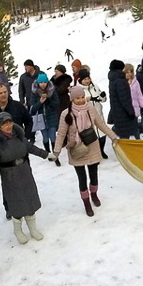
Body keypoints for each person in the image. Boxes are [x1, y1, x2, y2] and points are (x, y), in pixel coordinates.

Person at [58, 85, 120, 217]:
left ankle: (94, 194)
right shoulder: (66, 114)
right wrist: (56, 151)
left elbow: (101, 124)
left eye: (82, 97)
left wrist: (113, 137)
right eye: (77, 98)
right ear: (72, 99)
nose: (80, 100)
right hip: (76, 148)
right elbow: (61, 133)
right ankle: (86, 202)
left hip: (91, 144)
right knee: (82, 178)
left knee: (94, 174)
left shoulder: (90, 108)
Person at [0, 112, 49, 243]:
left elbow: (31, 148)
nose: (8, 126)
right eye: (5, 124)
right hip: (10, 177)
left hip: (25, 173)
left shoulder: (18, 135)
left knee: (30, 200)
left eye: (9, 122)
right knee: (16, 204)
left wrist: (46, 155)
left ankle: (33, 229)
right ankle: (18, 230)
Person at [107, 59, 139, 140]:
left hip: (117, 113)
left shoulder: (113, 79)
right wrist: (131, 112)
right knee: (131, 134)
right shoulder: (120, 81)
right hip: (124, 114)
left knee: (123, 135)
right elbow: (124, 99)